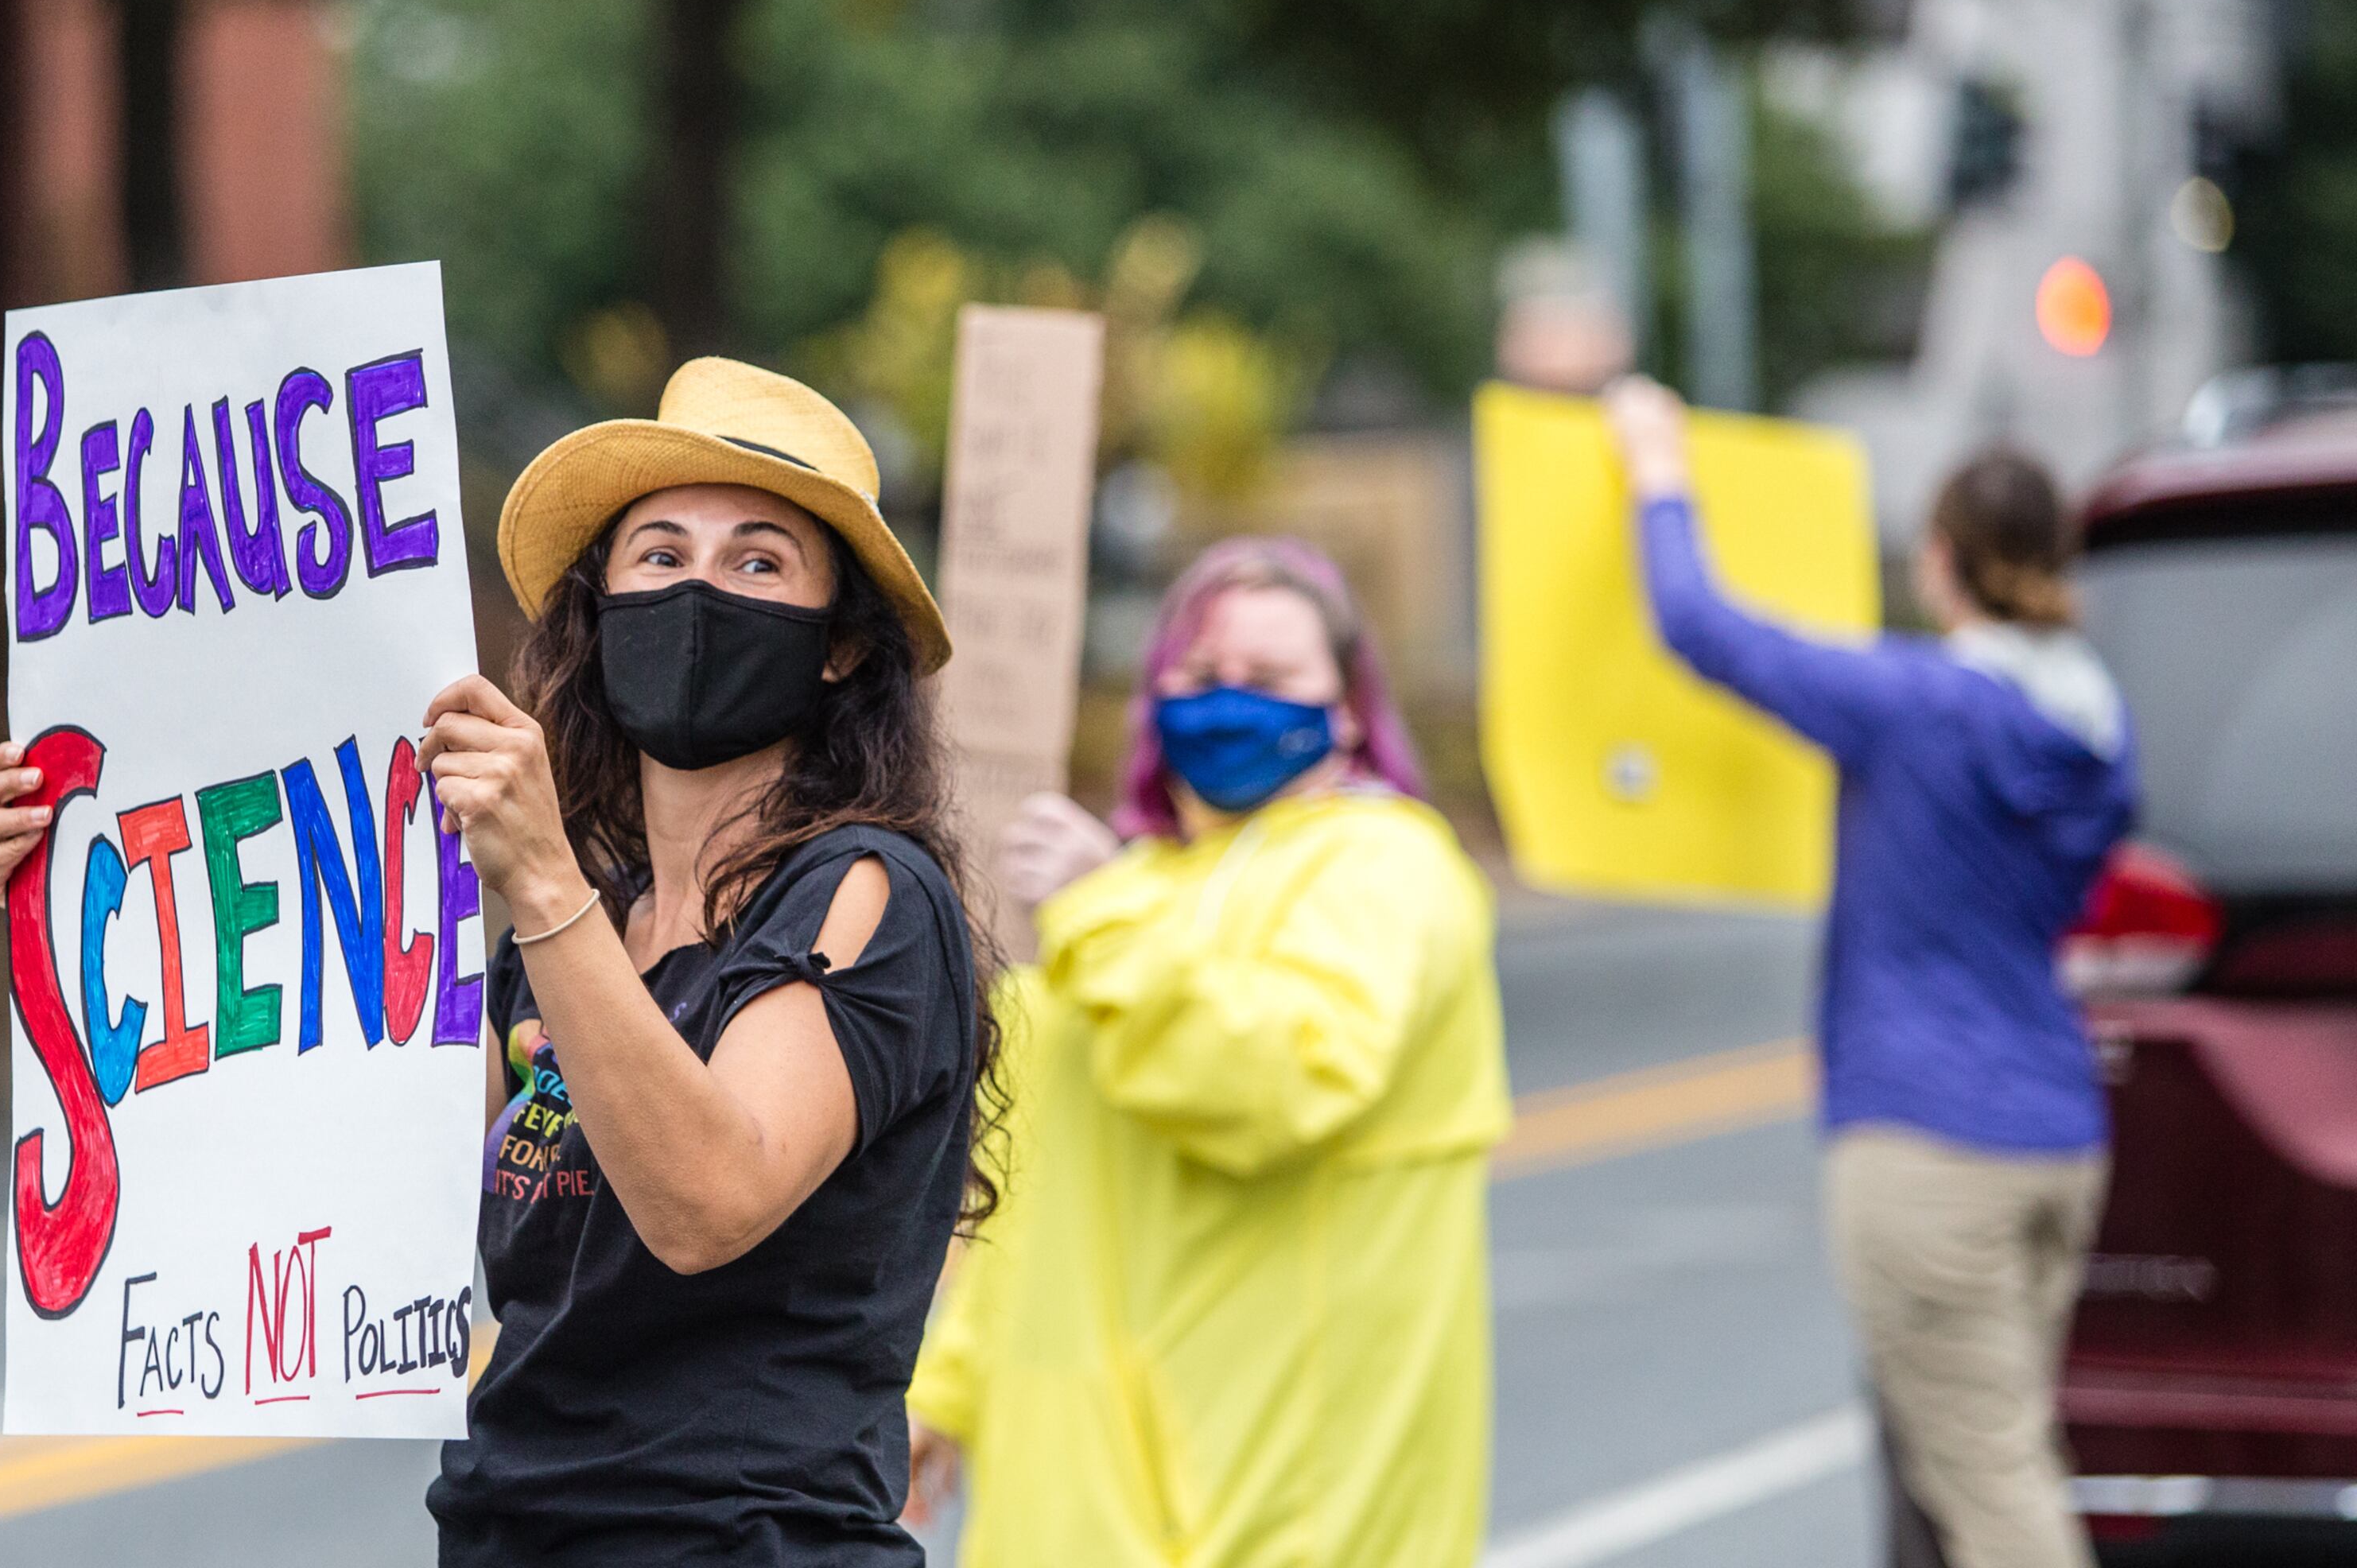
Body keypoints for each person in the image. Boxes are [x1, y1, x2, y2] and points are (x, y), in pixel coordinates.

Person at [0, 357, 997, 1566]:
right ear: (603, 614)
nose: (700, 590)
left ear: (836, 648)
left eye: (758, 561)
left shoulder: (867, 895)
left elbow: (709, 1202)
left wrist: (545, 883)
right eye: (660, 556)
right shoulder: (573, 938)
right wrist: (94, 910)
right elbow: (342, 1170)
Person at [1602, 376, 2135, 1568]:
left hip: (1924, 1137)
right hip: (2057, 1133)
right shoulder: (2100, 727)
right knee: (1978, 1454)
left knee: (1992, 1485)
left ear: (1941, 562)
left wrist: (1658, 470)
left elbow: (1702, 626)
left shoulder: (1915, 707)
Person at [902, 537, 1509, 1568]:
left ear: (1350, 706)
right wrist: (946, 1390)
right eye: (1200, 676)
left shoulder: (1387, 868)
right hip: (1082, 1487)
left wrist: (1104, 912)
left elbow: (1276, 1080)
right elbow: (1035, 1189)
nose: (1230, 703)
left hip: (1283, 1496)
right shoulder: (1137, 886)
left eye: (1271, 679)